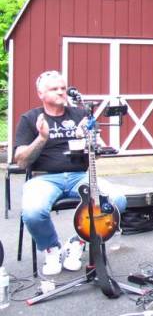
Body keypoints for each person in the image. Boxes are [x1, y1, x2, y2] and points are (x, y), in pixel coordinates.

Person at [14, 70, 127, 277]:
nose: (61, 92)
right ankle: (51, 248)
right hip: (44, 177)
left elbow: (97, 153)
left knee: (117, 200)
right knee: (32, 212)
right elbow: (20, 160)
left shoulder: (81, 114)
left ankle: (78, 242)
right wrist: (41, 138)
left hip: (79, 176)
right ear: (41, 93)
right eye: (54, 89)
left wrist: (90, 139)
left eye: (63, 88)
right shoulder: (30, 118)